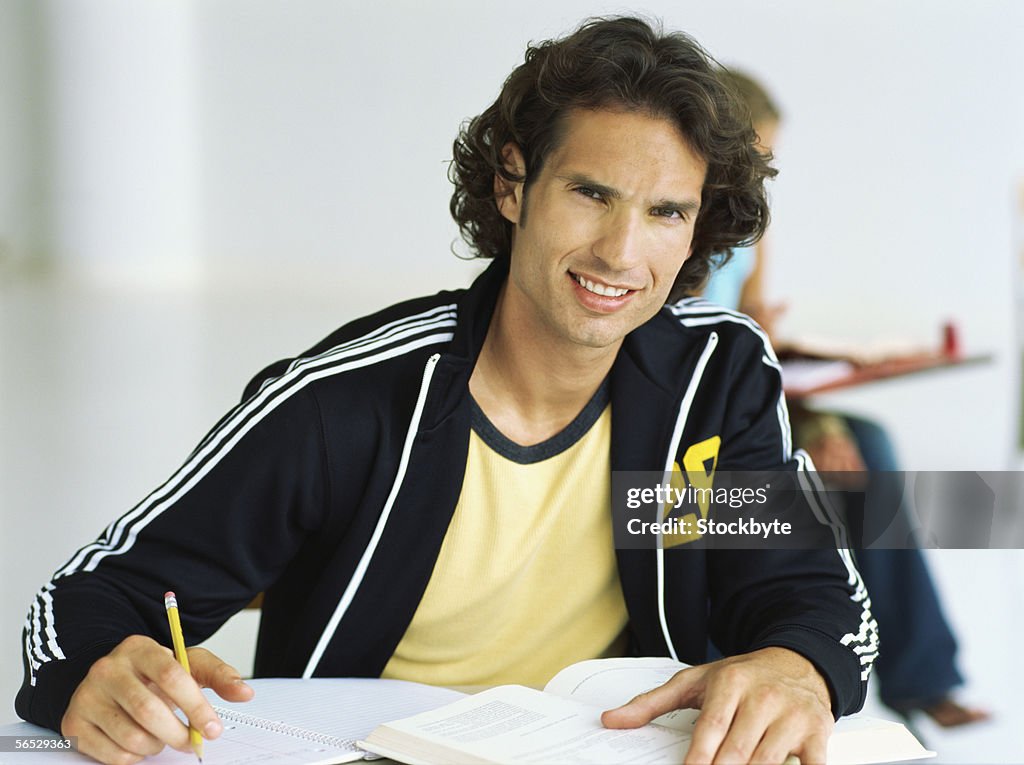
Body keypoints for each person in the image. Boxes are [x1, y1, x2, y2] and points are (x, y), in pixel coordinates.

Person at [17, 17, 876, 765]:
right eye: (590, 193)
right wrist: (96, 668)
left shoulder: (710, 382)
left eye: (665, 213)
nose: (622, 253)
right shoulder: (347, 402)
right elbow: (86, 599)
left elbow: (810, 596)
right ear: (512, 184)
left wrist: (795, 665)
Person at [704, 68, 987, 729]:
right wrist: (809, 428)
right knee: (851, 461)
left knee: (866, 444)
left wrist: (817, 408)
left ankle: (917, 676)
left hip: (747, 385)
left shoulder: (751, 227)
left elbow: (754, 338)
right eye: (751, 156)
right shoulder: (674, 222)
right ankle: (912, 679)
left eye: (767, 161)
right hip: (712, 404)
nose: (760, 175)